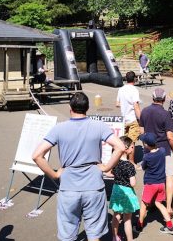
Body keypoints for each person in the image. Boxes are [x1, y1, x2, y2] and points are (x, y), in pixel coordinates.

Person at [32, 92, 125, 241]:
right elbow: (120, 147)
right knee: (94, 234)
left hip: (68, 187)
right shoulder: (99, 126)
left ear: (70, 108)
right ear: (87, 108)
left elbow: (37, 155)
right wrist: (107, 167)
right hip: (94, 186)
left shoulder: (59, 128)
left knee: (67, 234)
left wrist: (55, 174)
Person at [139, 88, 173, 217]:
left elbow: (141, 132)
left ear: (152, 98)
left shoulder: (144, 111)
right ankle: (168, 207)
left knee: (151, 178)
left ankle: (150, 203)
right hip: (164, 150)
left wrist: (146, 146)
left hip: (148, 151)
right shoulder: (165, 114)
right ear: (164, 99)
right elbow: (170, 136)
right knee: (169, 176)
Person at [134, 133, 173, 235]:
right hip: (161, 184)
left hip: (150, 184)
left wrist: (135, 166)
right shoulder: (162, 151)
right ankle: (170, 226)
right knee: (159, 203)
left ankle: (139, 225)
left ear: (146, 145)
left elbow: (142, 167)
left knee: (144, 204)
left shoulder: (147, 157)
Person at [109, 136, 140, 241]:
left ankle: (115, 237)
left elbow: (111, 173)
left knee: (116, 215)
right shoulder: (129, 165)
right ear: (126, 149)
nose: (132, 149)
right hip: (126, 192)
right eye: (132, 147)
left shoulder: (115, 161)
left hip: (116, 189)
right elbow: (133, 183)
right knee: (127, 219)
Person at [116, 71, 141, 165]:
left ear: (126, 79)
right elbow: (136, 106)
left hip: (124, 119)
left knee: (124, 141)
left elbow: (117, 103)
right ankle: (132, 163)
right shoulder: (134, 90)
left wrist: (124, 104)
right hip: (132, 119)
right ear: (134, 78)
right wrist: (141, 119)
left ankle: (123, 160)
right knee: (131, 143)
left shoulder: (121, 89)